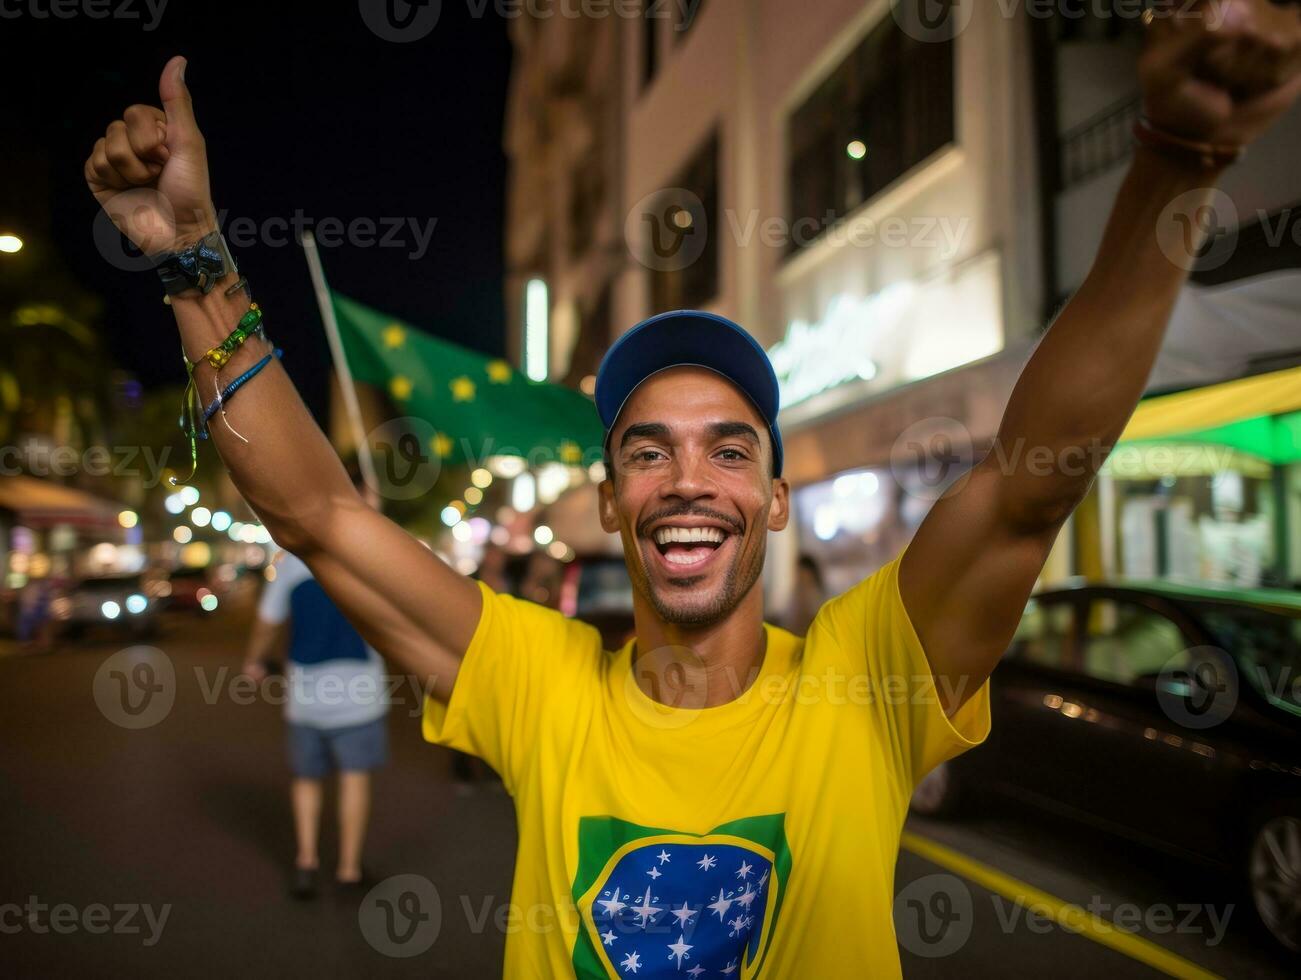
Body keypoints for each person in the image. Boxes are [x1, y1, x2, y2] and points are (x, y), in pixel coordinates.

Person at [84, 7, 1301, 974]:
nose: (686, 480)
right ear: (610, 503)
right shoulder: (535, 681)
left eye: (729, 449)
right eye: (645, 449)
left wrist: (1178, 161)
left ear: (774, 499)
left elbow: (1032, 479)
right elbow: (318, 514)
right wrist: (195, 262)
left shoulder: (862, 684)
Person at [242, 472, 390, 900]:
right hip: (360, 697)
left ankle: (306, 861)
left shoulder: (292, 561)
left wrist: (254, 660)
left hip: (305, 697)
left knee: (306, 779)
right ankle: (347, 869)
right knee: (354, 778)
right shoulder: (373, 559)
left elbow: (267, 623)